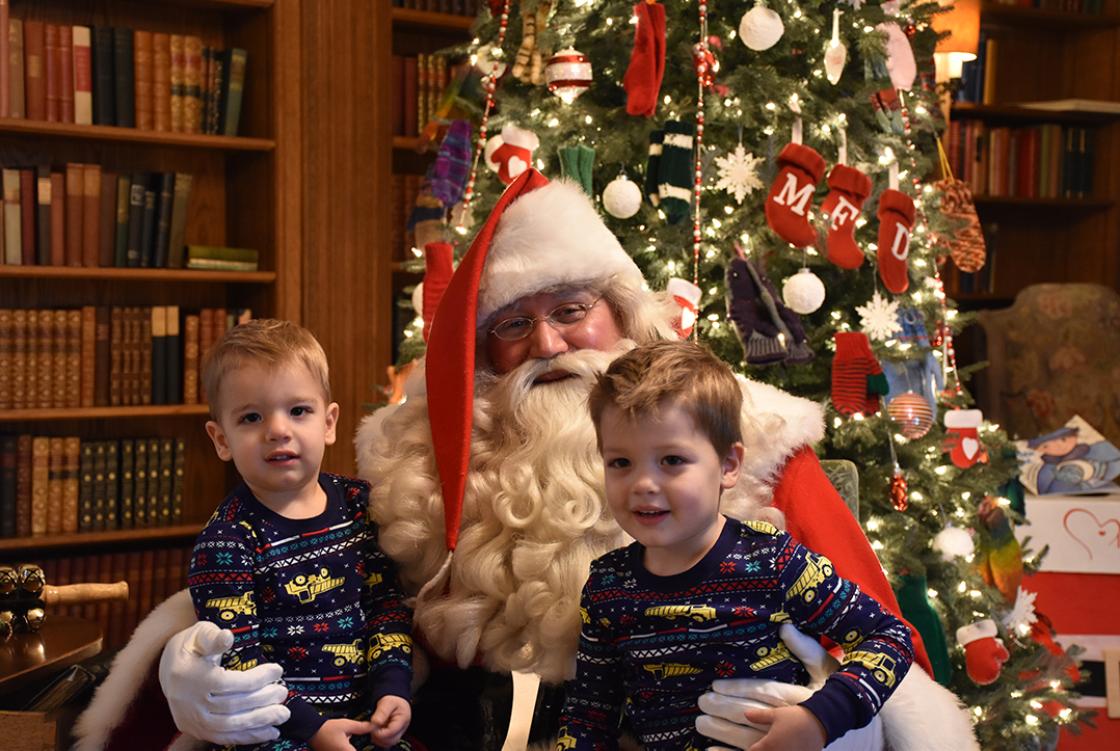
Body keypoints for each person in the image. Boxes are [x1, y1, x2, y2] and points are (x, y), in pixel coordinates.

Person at [74, 170, 976, 751]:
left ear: (623, 314)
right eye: (511, 323)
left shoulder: (756, 444)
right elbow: (291, 567)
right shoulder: (418, 471)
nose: (546, 342)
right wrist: (185, 676)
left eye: (572, 309)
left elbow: (891, 655)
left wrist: (824, 718)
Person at [556, 340, 914, 750]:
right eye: (620, 463)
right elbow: (588, 715)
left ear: (728, 466)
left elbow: (889, 635)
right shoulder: (606, 586)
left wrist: (820, 718)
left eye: (671, 460)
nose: (642, 485)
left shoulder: (774, 560)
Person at [189, 319, 412, 751]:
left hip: (366, 718)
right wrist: (311, 729)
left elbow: (386, 607)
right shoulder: (227, 541)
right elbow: (239, 661)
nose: (278, 429)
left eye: (298, 411)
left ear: (329, 423)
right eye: (251, 417)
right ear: (221, 440)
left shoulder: (359, 505)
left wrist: (393, 687)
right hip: (275, 730)